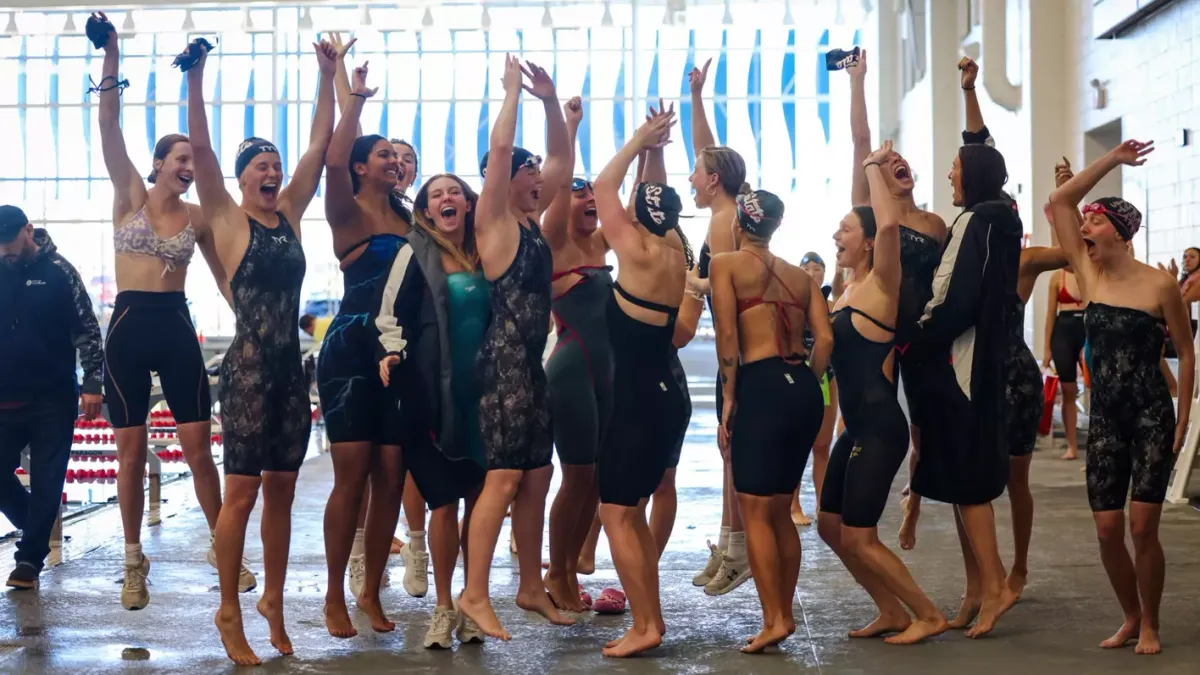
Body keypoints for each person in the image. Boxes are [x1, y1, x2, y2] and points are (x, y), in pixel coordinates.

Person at [88, 11, 253, 610]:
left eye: (194, 157)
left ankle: (224, 548)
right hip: (129, 327)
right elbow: (108, 122)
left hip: (176, 324)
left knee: (197, 446)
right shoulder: (129, 193)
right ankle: (134, 560)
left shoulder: (200, 217)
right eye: (179, 157)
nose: (189, 164)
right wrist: (111, 56)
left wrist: (255, 324)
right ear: (159, 164)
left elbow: (222, 276)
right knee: (129, 453)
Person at [186, 38, 335, 666]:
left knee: (283, 489)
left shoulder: (292, 215)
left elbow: (319, 148)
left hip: (288, 370)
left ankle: (273, 598)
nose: (273, 172)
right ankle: (227, 607)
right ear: (243, 176)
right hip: (248, 370)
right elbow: (202, 149)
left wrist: (327, 79)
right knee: (241, 493)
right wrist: (196, 79)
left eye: (276, 165)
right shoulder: (226, 215)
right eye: (261, 166)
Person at [1048, 138, 1191, 656]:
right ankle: (1129, 616)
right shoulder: (1088, 276)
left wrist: (1181, 422)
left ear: (1121, 231)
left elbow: (1188, 355)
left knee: (1141, 527)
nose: (1084, 225)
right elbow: (1057, 204)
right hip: (1106, 418)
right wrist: (1110, 160)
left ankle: (1151, 621)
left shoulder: (1160, 287)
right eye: (1085, 221)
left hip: (1152, 414)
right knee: (1108, 531)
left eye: (1096, 219)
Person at [456, 54, 574, 640]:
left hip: (530, 364)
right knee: (503, 478)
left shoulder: (533, 224)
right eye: (532, 173)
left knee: (536, 476)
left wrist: (550, 102)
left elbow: (562, 158)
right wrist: (510, 94)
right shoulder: (496, 224)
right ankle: (474, 592)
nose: (544, 178)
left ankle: (531, 584)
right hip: (501, 365)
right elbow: (501, 156)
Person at [818, 143, 947, 646]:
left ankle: (928, 613)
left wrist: (873, 166)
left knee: (860, 536)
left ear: (870, 243)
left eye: (845, 230)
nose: (836, 236)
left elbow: (889, 226)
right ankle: (890, 610)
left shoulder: (881, 288)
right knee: (831, 527)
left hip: (880, 429)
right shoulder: (846, 289)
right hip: (856, 427)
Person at [908, 109, 1023, 638]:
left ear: (971, 176)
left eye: (955, 167)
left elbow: (953, 295)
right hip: (978, 358)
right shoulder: (999, 217)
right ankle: (976, 587)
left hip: (965, 364)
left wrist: (913, 331)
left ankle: (995, 585)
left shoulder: (978, 221)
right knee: (958, 481)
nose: (951, 175)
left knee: (971, 483)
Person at [326, 31, 427, 591]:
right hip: (351, 351)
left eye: (398, 155)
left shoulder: (409, 218)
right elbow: (337, 156)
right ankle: (337, 590)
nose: (395, 160)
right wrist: (353, 97)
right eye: (385, 153)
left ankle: (370, 591)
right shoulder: (348, 212)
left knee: (393, 474)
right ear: (363, 168)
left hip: (400, 348)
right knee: (353, 475)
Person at [712, 190, 831, 653]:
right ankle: (783, 611)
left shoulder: (726, 265)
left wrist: (728, 398)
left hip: (759, 385)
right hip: (801, 386)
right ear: (776, 226)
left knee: (755, 511)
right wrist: (804, 383)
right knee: (780, 509)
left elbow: (727, 335)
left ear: (740, 224)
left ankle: (774, 619)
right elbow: (824, 339)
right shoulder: (802, 278)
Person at [375, 171, 490, 649]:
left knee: (479, 507)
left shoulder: (490, 251)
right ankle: (444, 608)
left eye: (454, 192)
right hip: (432, 395)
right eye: (435, 195)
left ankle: (472, 601)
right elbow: (387, 313)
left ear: (467, 204)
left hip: (485, 397)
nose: (446, 199)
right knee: (443, 503)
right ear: (424, 210)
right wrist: (392, 350)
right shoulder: (413, 252)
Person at [591, 108, 689, 658]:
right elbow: (654, 198)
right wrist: (658, 147)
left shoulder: (632, 249)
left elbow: (606, 184)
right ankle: (651, 618)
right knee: (632, 513)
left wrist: (636, 141)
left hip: (635, 403)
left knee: (616, 512)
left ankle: (646, 624)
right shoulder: (673, 247)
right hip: (666, 395)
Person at [846, 52, 946, 544]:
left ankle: (913, 500)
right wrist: (858, 80)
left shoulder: (934, 224)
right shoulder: (869, 212)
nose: (894, 160)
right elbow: (862, 141)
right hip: (879, 330)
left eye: (899, 158)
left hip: (921, 331)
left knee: (925, 426)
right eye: (886, 162)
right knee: (877, 413)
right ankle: (866, 494)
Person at [0, 206, 104, 589]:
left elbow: (88, 330)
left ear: (28, 231)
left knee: (47, 478)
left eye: (10, 241)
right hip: (5, 397)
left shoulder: (59, 272)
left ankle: (28, 560)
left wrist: (93, 382)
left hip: (52, 398)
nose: (5, 251)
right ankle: (35, 525)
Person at [542, 96, 612, 613]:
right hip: (570, 367)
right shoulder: (557, 245)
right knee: (576, 475)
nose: (588, 197)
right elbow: (560, 178)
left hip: (606, 373)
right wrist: (567, 125)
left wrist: (650, 147)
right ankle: (558, 570)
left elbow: (634, 207)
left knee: (595, 476)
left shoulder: (603, 246)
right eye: (578, 193)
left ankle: (569, 564)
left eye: (592, 194)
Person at [686, 58, 752, 595]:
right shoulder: (723, 210)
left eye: (696, 172)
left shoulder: (725, 220)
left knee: (733, 444)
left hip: (742, 349)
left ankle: (739, 549)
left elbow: (730, 291)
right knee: (727, 449)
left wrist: (687, 283)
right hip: (737, 348)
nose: (688, 176)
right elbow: (709, 152)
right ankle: (730, 540)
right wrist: (698, 98)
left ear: (712, 182)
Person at [794, 251, 838, 526]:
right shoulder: (793, 303)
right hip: (802, 374)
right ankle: (794, 503)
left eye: (817, 267)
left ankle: (824, 503)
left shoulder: (832, 305)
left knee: (823, 445)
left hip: (828, 376)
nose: (813, 271)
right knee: (798, 446)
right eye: (807, 267)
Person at [1043, 266, 1087, 460]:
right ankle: (1072, 446)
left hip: (1088, 328)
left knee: (1098, 388)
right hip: (1064, 331)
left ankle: (1098, 443)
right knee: (1068, 390)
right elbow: (1050, 313)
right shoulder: (1057, 277)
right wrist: (1046, 349)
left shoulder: (1091, 271)